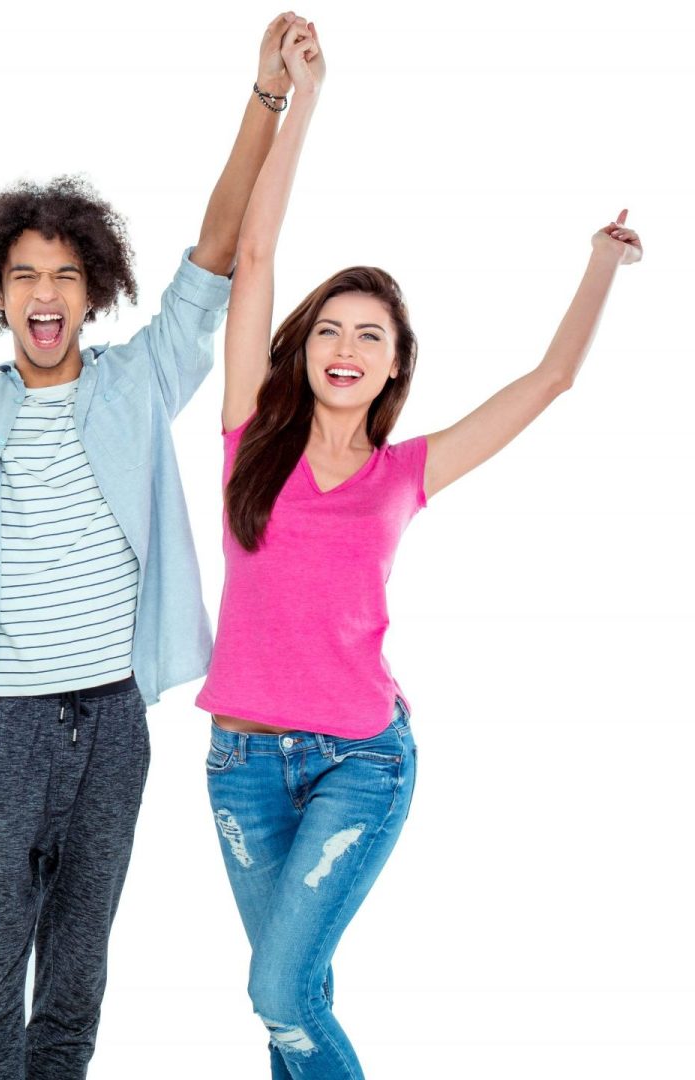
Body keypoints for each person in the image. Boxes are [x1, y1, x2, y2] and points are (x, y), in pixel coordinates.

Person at [0, 13, 310, 1077]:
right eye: (24, 274)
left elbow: (213, 259)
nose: (46, 292)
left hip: (113, 723)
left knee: (73, 992)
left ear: (91, 287)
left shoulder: (138, 383)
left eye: (64, 273)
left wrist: (266, 100)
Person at [198, 22, 642, 1079]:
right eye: (329, 331)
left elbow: (548, 383)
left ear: (396, 365)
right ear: (300, 350)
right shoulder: (246, 436)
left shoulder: (409, 472)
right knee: (293, 999)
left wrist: (600, 266)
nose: (345, 349)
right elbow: (254, 257)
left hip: (361, 762)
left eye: (370, 337)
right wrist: (303, 96)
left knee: (278, 989)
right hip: (242, 765)